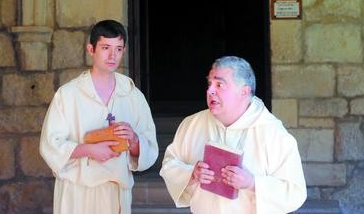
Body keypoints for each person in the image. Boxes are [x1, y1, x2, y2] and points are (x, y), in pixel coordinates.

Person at [160, 56, 307, 213]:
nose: (210, 91)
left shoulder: (273, 133)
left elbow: (295, 193)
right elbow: (169, 165)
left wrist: (252, 183)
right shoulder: (192, 124)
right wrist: (192, 174)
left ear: (244, 91)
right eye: (209, 84)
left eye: (219, 85)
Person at [40, 19, 159, 214]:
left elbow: (149, 149)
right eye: (105, 47)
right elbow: (50, 145)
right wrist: (88, 150)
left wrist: (134, 140)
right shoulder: (68, 94)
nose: (113, 55)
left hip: (115, 192)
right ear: (91, 49)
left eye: (119, 49)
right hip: (77, 193)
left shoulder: (132, 96)